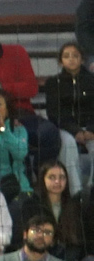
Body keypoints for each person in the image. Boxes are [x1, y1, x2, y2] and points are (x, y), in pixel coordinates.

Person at [16, 160, 88, 261]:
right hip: (39, 256)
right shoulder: (30, 205)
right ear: (43, 179)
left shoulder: (75, 205)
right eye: (52, 177)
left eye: (62, 177)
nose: (57, 182)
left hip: (70, 258)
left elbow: (80, 239)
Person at [44, 42, 94, 196]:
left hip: (90, 128)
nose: (71, 59)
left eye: (75, 56)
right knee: (68, 145)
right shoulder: (53, 83)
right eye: (66, 56)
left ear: (82, 59)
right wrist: (75, 131)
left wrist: (91, 130)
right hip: (65, 128)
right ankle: (75, 192)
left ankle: (91, 189)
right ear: (60, 61)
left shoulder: (92, 80)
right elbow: (55, 112)